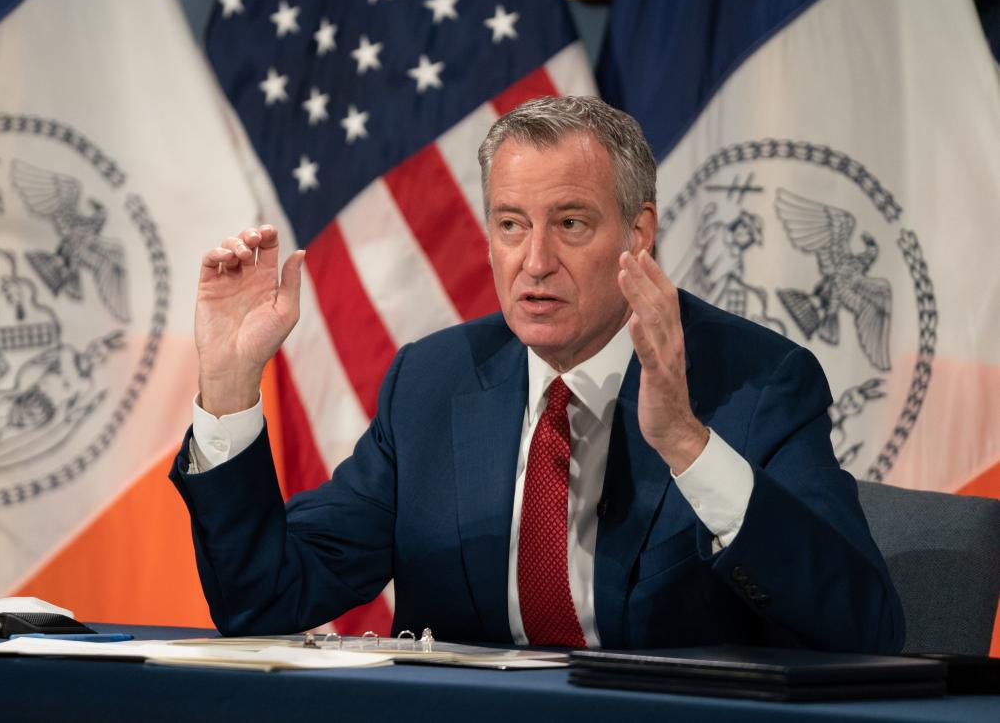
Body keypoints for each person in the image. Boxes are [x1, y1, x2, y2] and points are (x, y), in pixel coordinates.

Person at [170, 96, 904, 653]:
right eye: (511, 224)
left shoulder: (758, 383)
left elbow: (865, 628)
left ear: (638, 233)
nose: (535, 261)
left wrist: (684, 440)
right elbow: (264, 600)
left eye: (571, 224)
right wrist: (231, 385)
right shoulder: (432, 383)